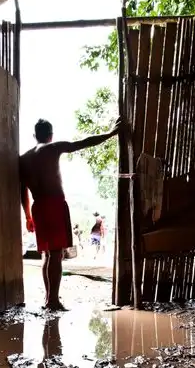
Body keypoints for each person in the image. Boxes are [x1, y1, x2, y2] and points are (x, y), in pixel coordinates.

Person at [21, 117, 122, 311]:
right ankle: (53, 301)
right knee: (56, 254)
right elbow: (82, 143)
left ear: (35, 135)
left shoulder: (24, 158)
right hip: (55, 204)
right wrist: (110, 133)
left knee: (47, 254)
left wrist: (27, 216)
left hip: (38, 207)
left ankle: (48, 298)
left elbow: (22, 190)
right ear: (51, 135)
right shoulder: (52, 148)